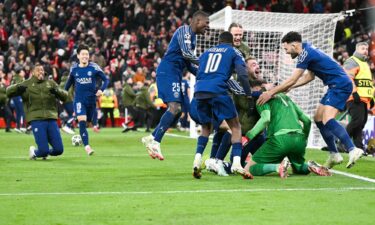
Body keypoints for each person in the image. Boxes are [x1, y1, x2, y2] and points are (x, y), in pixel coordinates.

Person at [257, 31, 364, 169]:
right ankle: (334, 154)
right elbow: (309, 77)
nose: (287, 52)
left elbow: (293, 78)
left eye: (286, 49)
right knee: (318, 118)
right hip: (334, 85)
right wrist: (290, 87)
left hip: (340, 84)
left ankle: (352, 149)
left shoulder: (304, 55)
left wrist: (270, 93)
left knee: (327, 119)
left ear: (294, 45)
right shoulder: (307, 49)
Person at [141, 11, 209, 160]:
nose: (208, 26)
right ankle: (156, 141)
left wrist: (204, 75)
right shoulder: (185, 31)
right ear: (197, 21)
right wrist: (205, 63)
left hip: (175, 73)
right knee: (175, 107)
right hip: (168, 71)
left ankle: (151, 137)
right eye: (206, 23)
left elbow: (187, 63)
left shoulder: (193, 38)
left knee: (178, 111)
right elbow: (186, 54)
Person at [192, 31, 254, 179]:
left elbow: (198, 70)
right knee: (236, 126)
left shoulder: (206, 52)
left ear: (218, 41)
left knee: (206, 127)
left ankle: (197, 159)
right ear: (231, 41)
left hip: (199, 91)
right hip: (218, 90)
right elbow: (242, 73)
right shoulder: (233, 51)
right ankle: (237, 164)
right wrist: (248, 94)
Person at [243, 92, 331, 178]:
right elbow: (307, 120)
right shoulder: (286, 98)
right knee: (298, 168)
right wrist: (305, 138)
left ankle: (277, 167)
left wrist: (248, 136)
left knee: (249, 169)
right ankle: (310, 166)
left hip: (279, 139)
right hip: (299, 138)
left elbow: (265, 119)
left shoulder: (261, 99)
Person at [6, 63, 68, 159]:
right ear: (32, 72)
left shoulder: (50, 83)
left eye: (42, 70)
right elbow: (8, 91)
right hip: (36, 119)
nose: (41, 72)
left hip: (51, 118)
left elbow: (65, 96)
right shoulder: (26, 84)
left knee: (59, 150)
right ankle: (34, 152)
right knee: (43, 151)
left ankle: (44, 152)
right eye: (38, 70)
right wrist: (17, 88)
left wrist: (57, 91)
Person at [65, 44, 109, 155]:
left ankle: (74, 124)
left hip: (91, 101)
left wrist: (101, 90)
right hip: (79, 100)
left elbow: (106, 80)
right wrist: (63, 93)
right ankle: (87, 147)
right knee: (82, 121)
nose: (85, 56)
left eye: (87, 54)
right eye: (83, 54)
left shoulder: (94, 67)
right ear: (78, 56)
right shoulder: (74, 68)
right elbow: (69, 83)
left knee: (88, 121)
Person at [343, 42, 374, 155]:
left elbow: (367, 83)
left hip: (364, 98)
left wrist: (371, 98)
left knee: (361, 123)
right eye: (362, 48)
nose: (365, 50)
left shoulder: (364, 63)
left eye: (366, 48)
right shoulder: (352, 61)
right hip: (355, 97)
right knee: (357, 121)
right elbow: (347, 78)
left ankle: (359, 148)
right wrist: (354, 92)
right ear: (357, 49)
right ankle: (342, 143)